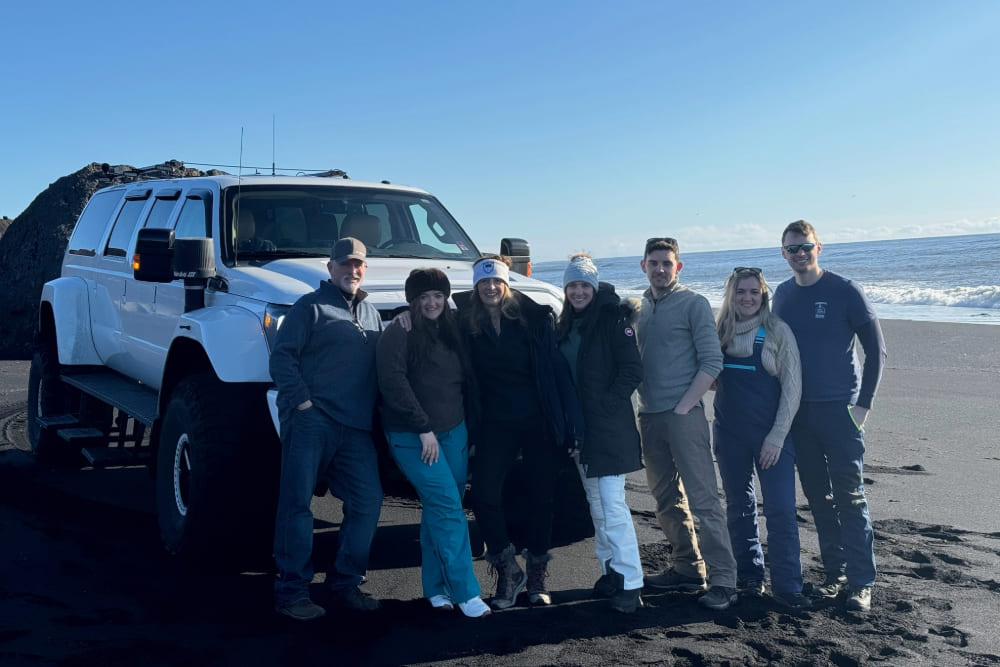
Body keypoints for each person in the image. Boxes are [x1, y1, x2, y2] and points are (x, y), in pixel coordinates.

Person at [269, 237, 385, 620]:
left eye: (359, 265)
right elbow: (282, 357)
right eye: (346, 264)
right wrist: (302, 403)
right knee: (297, 506)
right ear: (330, 267)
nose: (353, 270)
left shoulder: (370, 312)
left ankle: (345, 584)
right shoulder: (309, 308)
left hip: (355, 427)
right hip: (312, 421)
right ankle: (292, 593)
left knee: (367, 502)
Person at [773, 220, 886, 613]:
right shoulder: (783, 296)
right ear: (783, 254)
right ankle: (835, 575)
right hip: (800, 414)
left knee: (850, 497)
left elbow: (877, 351)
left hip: (841, 412)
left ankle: (861, 583)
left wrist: (863, 406)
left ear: (819, 247)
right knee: (818, 498)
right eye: (792, 249)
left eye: (806, 246)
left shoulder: (845, 290)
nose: (799, 254)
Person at [458, 254, 581, 610]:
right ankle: (508, 568)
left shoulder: (533, 320)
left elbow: (557, 372)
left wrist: (571, 425)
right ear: (476, 287)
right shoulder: (467, 324)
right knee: (483, 495)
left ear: (507, 285)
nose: (491, 288)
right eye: (484, 283)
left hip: (537, 421)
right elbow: (431, 320)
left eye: (497, 282)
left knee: (541, 496)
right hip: (495, 424)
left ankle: (538, 574)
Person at [375, 269, 491, 618]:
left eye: (438, 295)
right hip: (414, 436)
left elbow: (491, 303)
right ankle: (466, 592)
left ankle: (436, 588)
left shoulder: (455, 327)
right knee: (449, 508)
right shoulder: (400, 331)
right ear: (412, 300)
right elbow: (391, 382)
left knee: (439, 508)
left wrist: (471, 432)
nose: (431, 302)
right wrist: (422, 427)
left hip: (454, 432)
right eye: (423, 297)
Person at [632, 237, 739, 610]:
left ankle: (724, 578)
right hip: (649, 415)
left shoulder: (693, 304)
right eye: (654, 262)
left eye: (667, 263)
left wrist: (684, 407)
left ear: (678, 267)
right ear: (643, 265)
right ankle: (687, 566)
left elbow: (712, 362)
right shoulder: (639, 307)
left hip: (684, 416)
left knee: (704, 499)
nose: (660, 269)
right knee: (664, 499)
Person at [713, 267, 812, 610]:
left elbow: (792, 389)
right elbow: (709, 376)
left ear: (763, 295)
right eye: (741, 291)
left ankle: (787, 585)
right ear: (731, 295)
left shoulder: (777, 331)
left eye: (754, 292)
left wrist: (777, 437)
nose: (747, 298)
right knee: (739, 508)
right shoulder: (720, 330)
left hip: (772, 438)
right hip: (729, 435)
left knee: (781, 509)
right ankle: (750, 577)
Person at [555, 254, 645, 613]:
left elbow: (632, 370)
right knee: (597, 506)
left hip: (608, 429)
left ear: (593, 288)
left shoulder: (613, 320)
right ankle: (611, 571)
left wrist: (604, 407)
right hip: (580, 432)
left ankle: (631, 582)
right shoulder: (565, 324)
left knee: (612, 505)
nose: (578, 292)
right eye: (572, 286)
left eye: (584, 285)